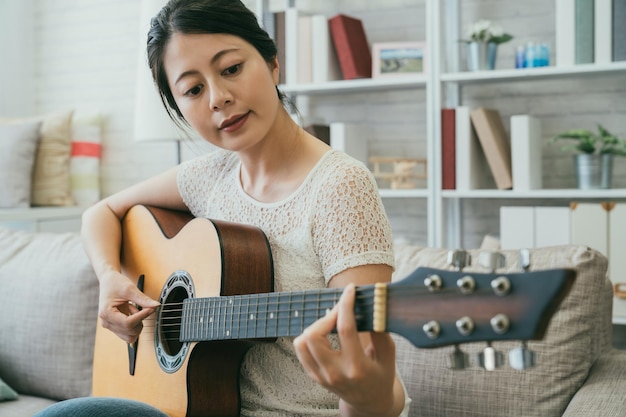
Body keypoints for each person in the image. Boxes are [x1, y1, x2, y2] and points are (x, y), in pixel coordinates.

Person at [35, 0, 410, 416]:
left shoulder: (340, 187)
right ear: (181, 110)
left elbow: (378, 381)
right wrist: (109, 277)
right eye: (193, 90)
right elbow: (100, 213)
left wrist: (365, 397)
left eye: (231, 68)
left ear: (272, 63)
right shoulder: (207, 177)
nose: (219, 98)